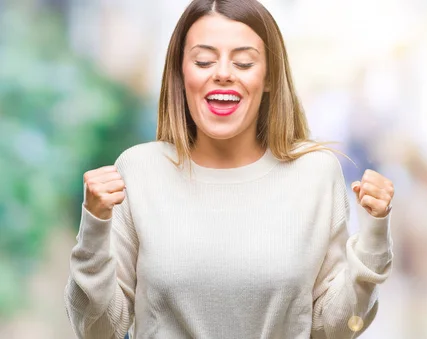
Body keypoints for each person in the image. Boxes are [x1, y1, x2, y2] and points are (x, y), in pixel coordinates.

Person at [64, 1, 394, 338]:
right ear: (181, 74)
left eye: (244, 62)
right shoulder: (137, 171)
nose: (223, 73)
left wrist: (374, 239)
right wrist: (94, 227)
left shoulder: (316, 175)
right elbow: (98, 330)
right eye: (204, 60)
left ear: (268, 77)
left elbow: (337, 329)